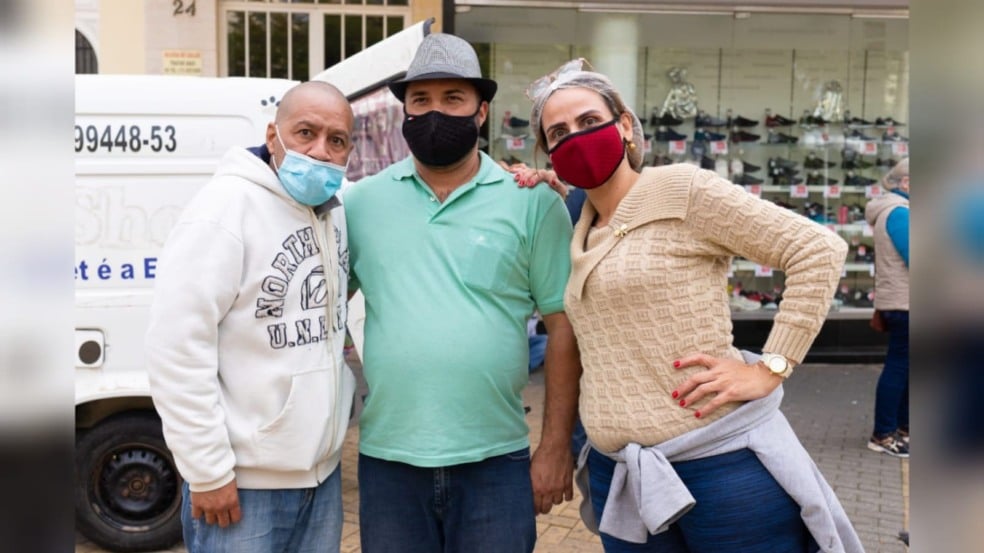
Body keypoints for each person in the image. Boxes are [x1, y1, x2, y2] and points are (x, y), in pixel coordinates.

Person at [526, 60, 863, 553]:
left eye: (588, 122)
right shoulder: (582, 221)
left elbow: (817, 249)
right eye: (558, 132)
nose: (575, 137)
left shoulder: (682, 189)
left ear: (624, 126)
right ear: (550, 153)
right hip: (622, 474)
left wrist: (771, 366)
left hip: (718, 471)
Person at [343, 33, 581, 553]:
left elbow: (563, 326)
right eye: (420, 100)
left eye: (453, 99)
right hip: (389, 461)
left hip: (496, 460)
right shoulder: (361, 204)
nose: (434, 113)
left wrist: (555, 444)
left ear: (481, 111)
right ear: (403, 109)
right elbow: (320, 303)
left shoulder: (532, 203)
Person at [145, 81, 356, 553]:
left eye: (337, 140)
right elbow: (177, 349)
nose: (320, 151)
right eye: (306, 132)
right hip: (243, 488)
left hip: (320, 480)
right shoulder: (223, 212)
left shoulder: (332, 210)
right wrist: (207, 471)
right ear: (273, 134)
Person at [864, 157, 909, 458]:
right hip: (906, 302)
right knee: (899, 366)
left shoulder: (898, 211)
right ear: (906, 182)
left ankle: (903, 428)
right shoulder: (900, 213)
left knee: (908, 368)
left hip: (904, 301)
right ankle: (883, 434)